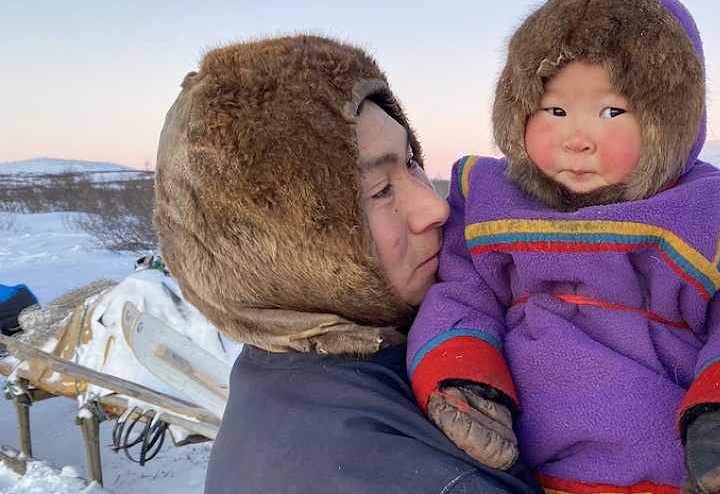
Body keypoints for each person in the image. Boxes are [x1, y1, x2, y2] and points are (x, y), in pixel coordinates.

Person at [407, 0, 720, 494]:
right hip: (534, 464)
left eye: (612, 112)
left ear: (668, 118)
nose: (577, 139)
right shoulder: (492, 202)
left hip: (692, 466)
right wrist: (465, 377)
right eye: (554, 110)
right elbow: (459, 293)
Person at [153, 35, 541, 494]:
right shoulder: (388, 471)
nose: (434, 208)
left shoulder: (287, 370)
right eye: (380, 190)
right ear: (284, 241)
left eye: (412, 162)